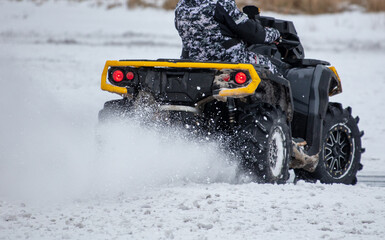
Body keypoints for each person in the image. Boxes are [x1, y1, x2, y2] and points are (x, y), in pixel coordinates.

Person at [174, 0, 281, 74]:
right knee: (268, 67)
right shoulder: (220, 3)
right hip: (227, 59)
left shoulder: (181, 6)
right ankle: (277, 106)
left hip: (193, 61)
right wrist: (275, 34)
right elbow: (251, 32)